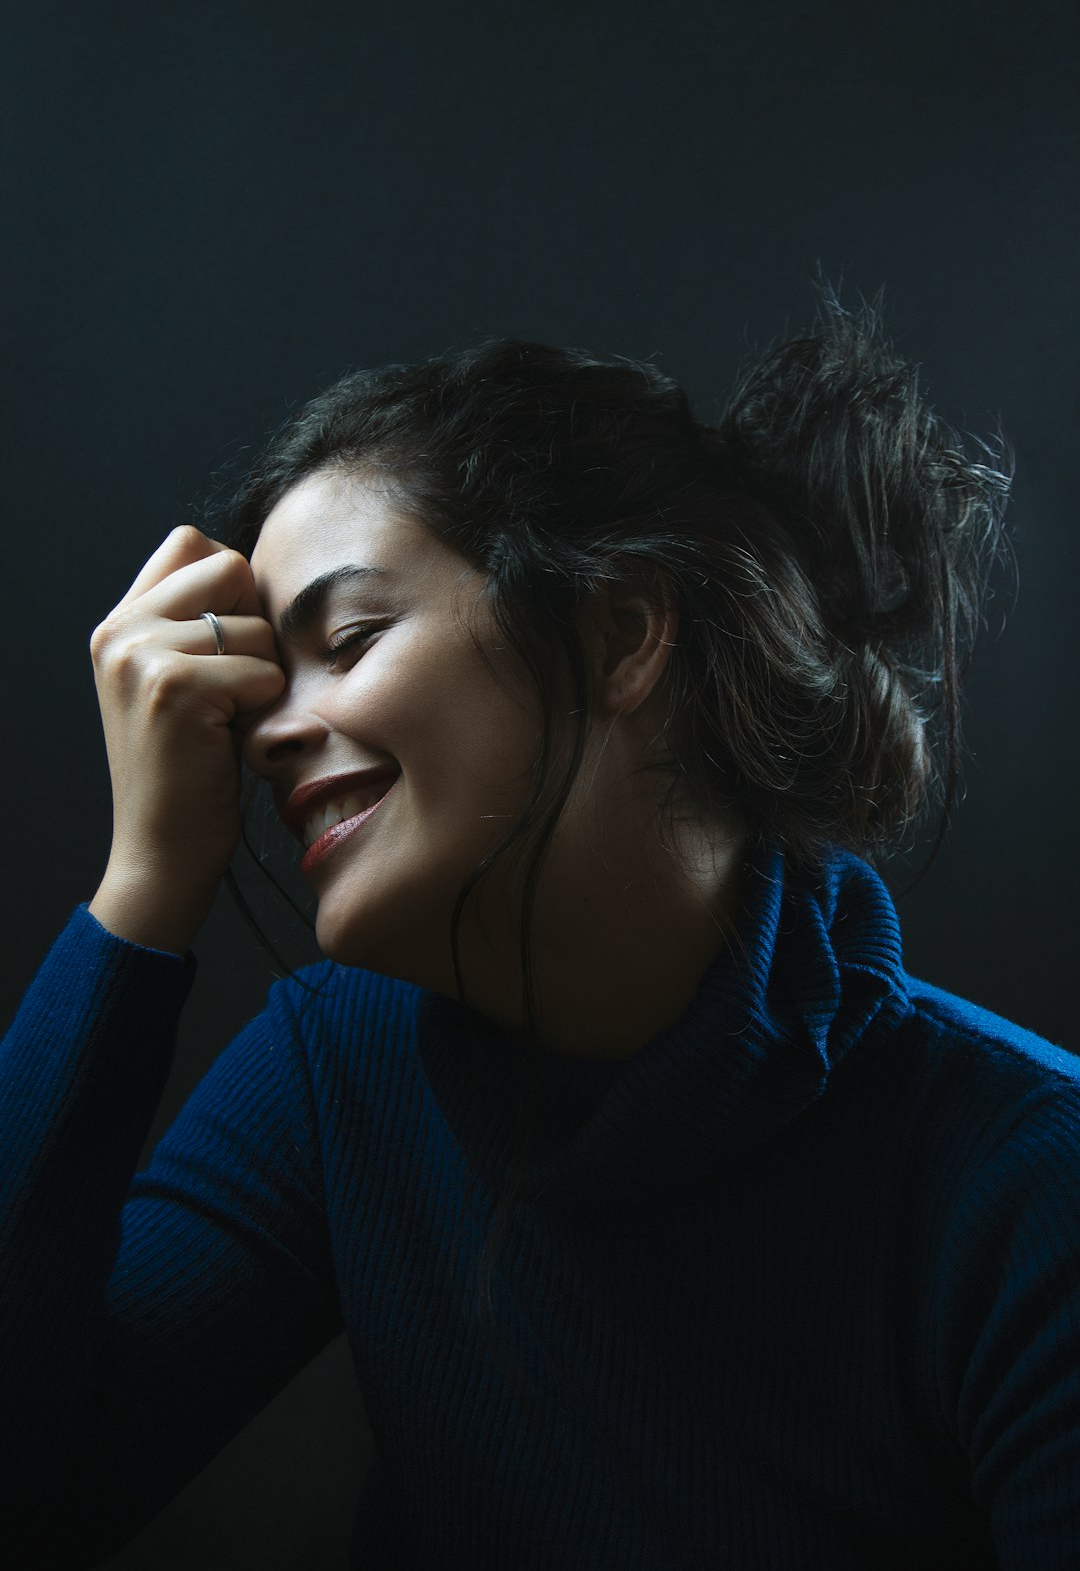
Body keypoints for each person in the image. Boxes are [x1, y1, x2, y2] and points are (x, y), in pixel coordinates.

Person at [2, 287, 1078, 1570]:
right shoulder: (338, 1070)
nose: (270, 732)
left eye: (346, 638)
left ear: (619, 633)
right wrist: (141, 895)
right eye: (264, 687)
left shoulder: (1023, 1182)